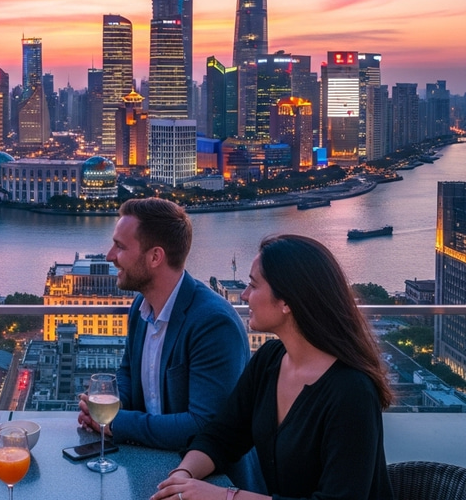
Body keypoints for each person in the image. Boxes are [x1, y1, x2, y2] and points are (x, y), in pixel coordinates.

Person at [152, 234, 394, 500]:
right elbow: (221, 436)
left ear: (287, 302)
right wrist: (182, 476)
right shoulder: (270, 360)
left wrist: (224, 496)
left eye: (253, 286)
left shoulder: (352, 391)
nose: (244, 296)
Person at [77, 198, 261, 491]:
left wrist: (117, 424)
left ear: (155, 257)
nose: (111, 256)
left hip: (210, 484)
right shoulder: (142, 305)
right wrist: (105, 410)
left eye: (121, 247)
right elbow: (127, 372)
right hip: (149, 466)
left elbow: (204, 426)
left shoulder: (212, 323)